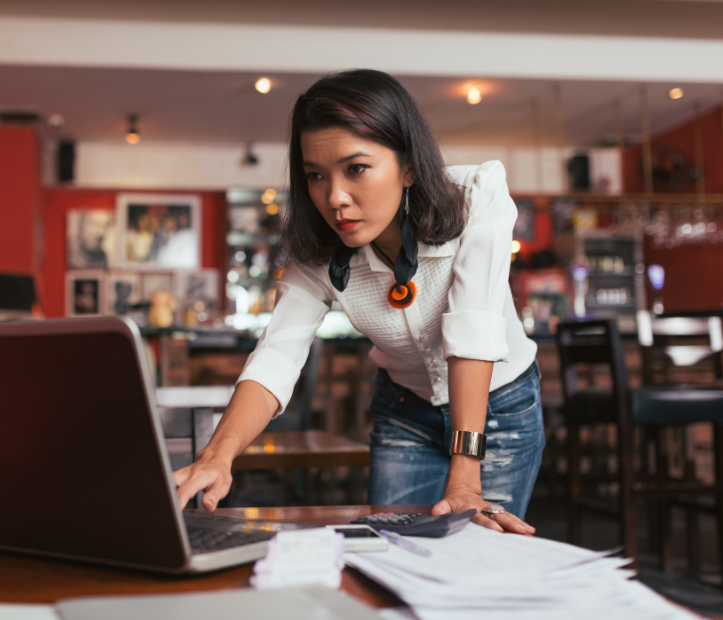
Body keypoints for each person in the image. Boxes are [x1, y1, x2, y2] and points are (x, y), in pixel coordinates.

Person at [174, 70, 543, 535]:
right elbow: (276, 355)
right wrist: (217, 455)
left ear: (408, 164)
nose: (334, 198)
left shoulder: (476, 197)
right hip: (405, 411)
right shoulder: (316, 251)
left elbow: (474, 328)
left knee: (481, 565)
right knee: (394, 552)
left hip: (497, 409)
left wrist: (466, 473)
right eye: (315, 176)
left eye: (356, 168)